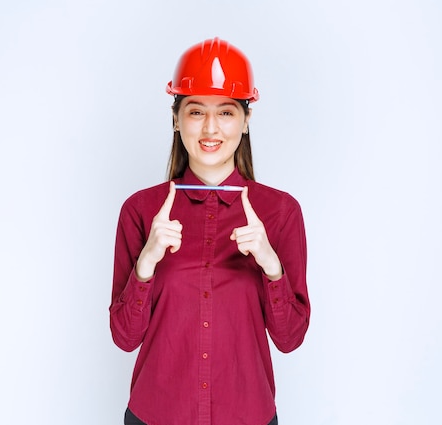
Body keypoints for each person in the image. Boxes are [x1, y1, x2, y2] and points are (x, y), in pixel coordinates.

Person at [109, 37, 310, 425]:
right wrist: (146, 263)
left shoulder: (281, 212)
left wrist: (271, 266)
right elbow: (124, 337)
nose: (211, 128)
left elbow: (290, 339)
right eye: (196, 112)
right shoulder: (140, 211)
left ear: (246, 121)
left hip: (247, 415)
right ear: (176, 118)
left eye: (227, 112)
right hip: (156, 415)